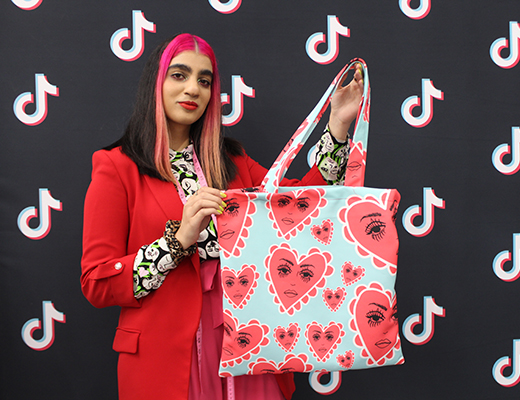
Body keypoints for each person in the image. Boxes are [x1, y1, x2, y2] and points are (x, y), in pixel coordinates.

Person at [80, 33, 364, 400]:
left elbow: (302, 209)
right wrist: (178, 241)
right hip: (165, 360)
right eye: (179, 75)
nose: (193, 89)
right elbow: (97, 282)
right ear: (156, 81)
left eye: (204, 80)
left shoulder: (233, 161)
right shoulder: (116, 167)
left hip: (245, 344)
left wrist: (338, 127)